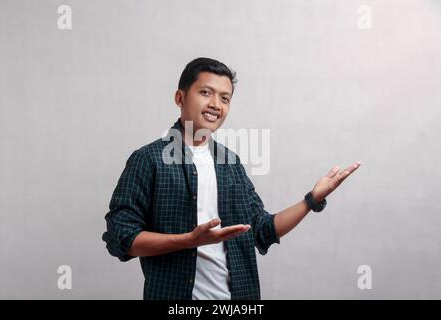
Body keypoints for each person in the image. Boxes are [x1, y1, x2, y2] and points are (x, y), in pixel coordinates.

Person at [102, 57, 361, 300]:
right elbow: (120, 237)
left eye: (225, 98)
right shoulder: (149, 160)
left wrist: (312, 200)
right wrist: (188, 241)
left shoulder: (230, 163)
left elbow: (261, 230)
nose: (216, 104)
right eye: (206, 92)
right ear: (180, 98)